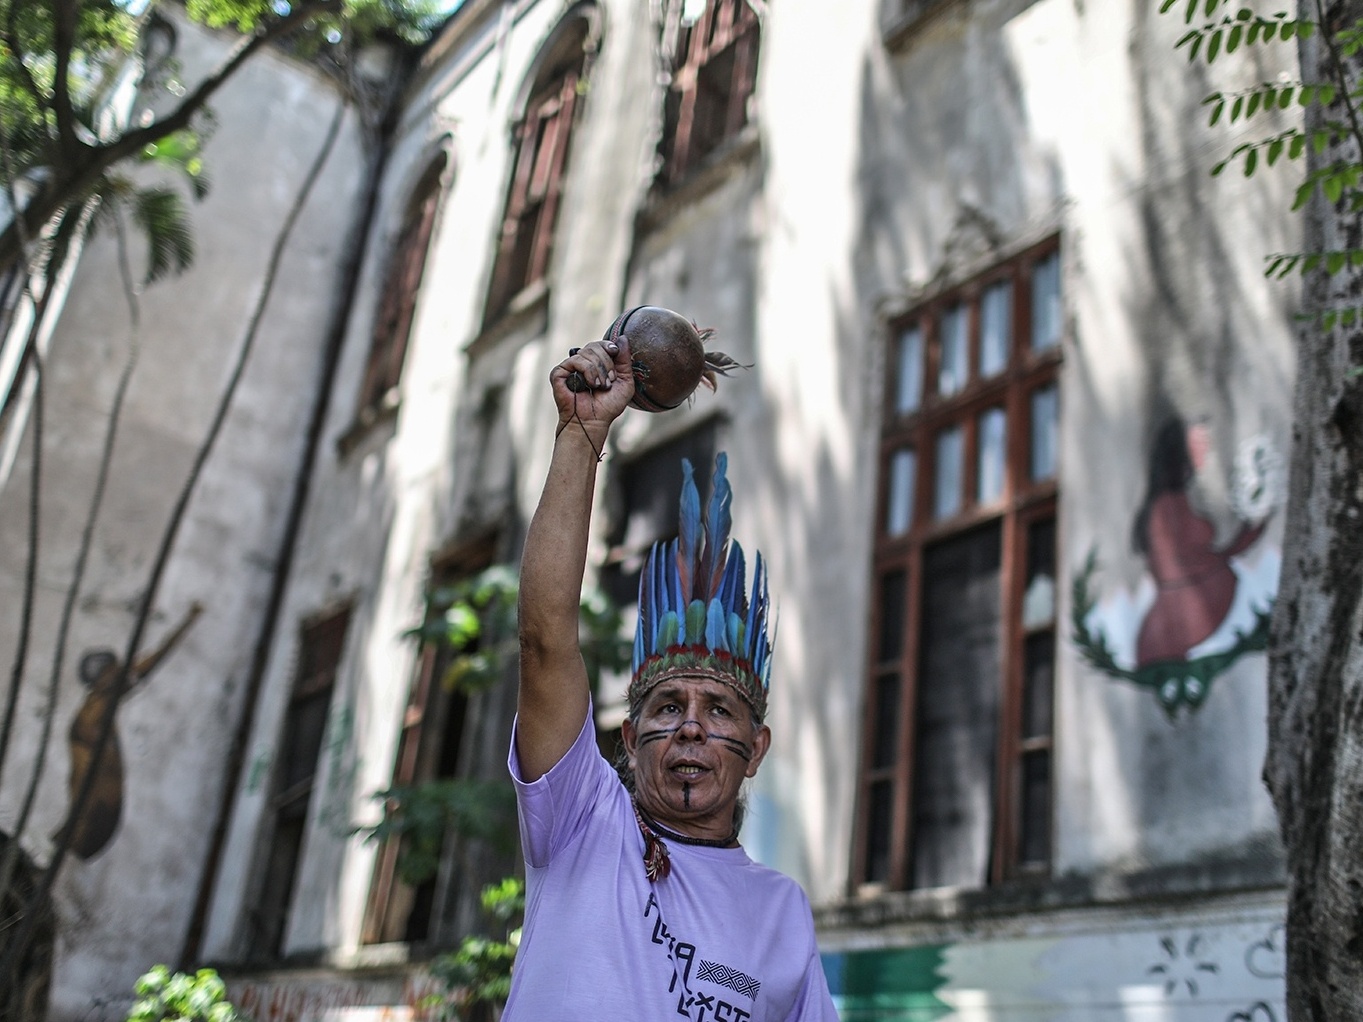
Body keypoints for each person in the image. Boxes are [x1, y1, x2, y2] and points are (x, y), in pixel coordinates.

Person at [505, 336, 838, 1021]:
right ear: (627, 738)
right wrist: (580, 433)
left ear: (758, 748)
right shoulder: (582, 823)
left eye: (719, 710)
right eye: (667, 706)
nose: (690, 724)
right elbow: (545, 643)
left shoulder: (782, 914)